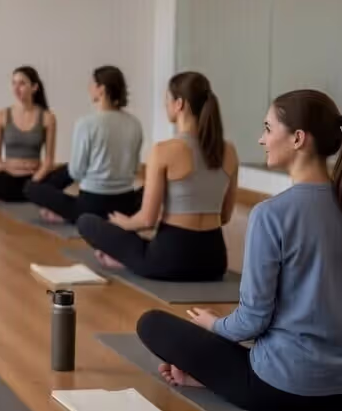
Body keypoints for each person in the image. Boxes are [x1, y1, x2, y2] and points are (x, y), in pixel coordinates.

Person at [136, 90, 342, 411]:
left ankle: (217, 378)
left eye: (268, 128)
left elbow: (252, 321)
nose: (261, 138)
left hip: (281, 389)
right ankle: (212, 377)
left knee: (151, 323)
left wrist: (214, 325)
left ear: (297, 138)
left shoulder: (271, 214)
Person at [77, 72, 238, 281]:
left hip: (169, 261)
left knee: (86, 222)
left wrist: (123, 224)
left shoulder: (163, 150)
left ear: (179, 104)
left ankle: (124, 259)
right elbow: (224, 216)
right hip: (214, 262)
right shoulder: (229, 151)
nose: (165, 106)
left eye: (167, 100)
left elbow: (147, 219)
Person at [24, 65, 143, 224]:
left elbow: (76, 172)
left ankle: (71, 215)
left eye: (92, 84)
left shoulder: (86, 124)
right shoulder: (134, 124)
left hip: (91, 205)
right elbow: (135, 169)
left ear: (101, 89)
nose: (89, 88)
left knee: (30, 188)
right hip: (125, 204)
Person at [0, 66, 61, 202]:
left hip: (34, 179)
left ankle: (26, 193)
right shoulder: (2, 115)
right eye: (14, 83)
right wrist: (3, 168)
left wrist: (34, 180)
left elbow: (49, 160)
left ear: (34, 87)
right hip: (8, 178)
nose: (16, 88)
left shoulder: (47, 118)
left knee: (68, 171)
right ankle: (26, 195)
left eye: (22, 83)